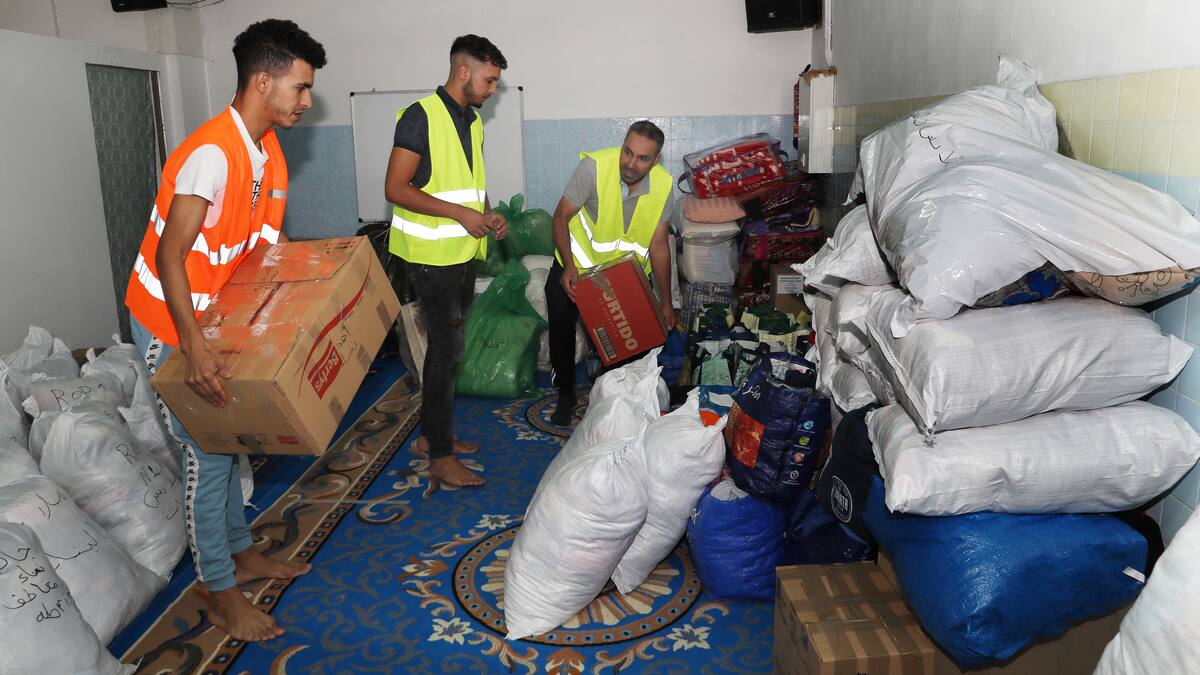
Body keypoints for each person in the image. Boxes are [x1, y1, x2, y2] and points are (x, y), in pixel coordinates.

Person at [124, 19, 325, 642]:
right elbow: (171, 256)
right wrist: (193, 346)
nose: (307, 100)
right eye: (300, 86)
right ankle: (218, 590)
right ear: (262, 81)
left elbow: (265, 247)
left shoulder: (268, 153)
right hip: (170, 321)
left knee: (231, 442)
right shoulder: (212, 152)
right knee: (207, 456)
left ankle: (238, 556)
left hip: (214, 317)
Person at [385, 35, 509, 488]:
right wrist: (461, 214)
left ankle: (432, 435)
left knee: (444, 352)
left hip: (461, 253)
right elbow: (396, 188)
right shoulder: (420, 117)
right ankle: (438, 454)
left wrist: (487, 211)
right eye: (489, 79)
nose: (493, 88)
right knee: (448, 350)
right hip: (428, 258)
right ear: (464, 72)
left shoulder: (471, 121)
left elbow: (467, 185)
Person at [545, 121, 677, 425]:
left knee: (627, 339)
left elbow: (659, 246)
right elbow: (560, 217)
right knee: (561, 322)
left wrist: (666, 302)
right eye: (627, 152)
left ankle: (609, 392)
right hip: (575, 263)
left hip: (623, 276)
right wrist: (567, 265)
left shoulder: (664, 185)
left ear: (656, 160)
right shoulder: (594, 167)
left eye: (642, 158)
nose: (630, 164)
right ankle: (565, 393)